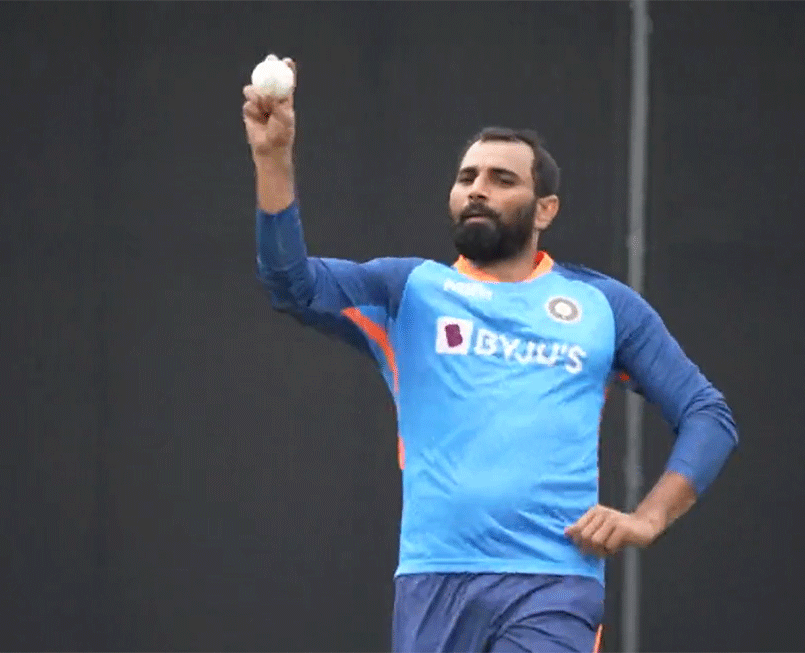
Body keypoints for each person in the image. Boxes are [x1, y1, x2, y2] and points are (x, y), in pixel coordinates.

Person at [245, 59, 739, 653]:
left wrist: (649, 518)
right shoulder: (409, 291)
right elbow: (291, 284)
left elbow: (707, 414)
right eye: (467, 177)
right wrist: (273, 160)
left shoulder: (602, 306)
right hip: (433, 579)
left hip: (553, 584)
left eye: (503, 179)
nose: (478, 188)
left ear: (546, 210)